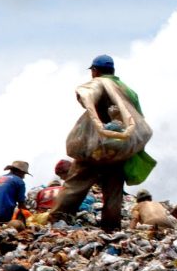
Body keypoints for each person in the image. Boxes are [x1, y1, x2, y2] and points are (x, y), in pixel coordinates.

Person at [49, 54, 146, 231]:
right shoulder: (129, 91)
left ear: (95, 71)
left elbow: (86, 96)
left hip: (97, 147)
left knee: (76, 182)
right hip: (118, 148)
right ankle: (111, 227)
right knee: (113, 188)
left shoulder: (100, 83)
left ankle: (58, 219)